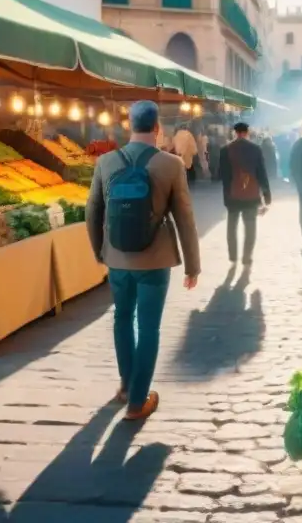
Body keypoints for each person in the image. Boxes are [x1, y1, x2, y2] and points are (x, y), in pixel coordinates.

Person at [88, 101, 200, 421]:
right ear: (157, 128)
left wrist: (101, 251)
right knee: (148, 327)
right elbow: (185, 219)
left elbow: (92, 211)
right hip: (155, 260)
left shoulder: (106, 161)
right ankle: (138, 402)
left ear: (129, 126)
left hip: (117, 258)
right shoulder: (171, 164)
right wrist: (192, 266)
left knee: (122, 318)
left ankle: (126, 387)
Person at [219, 122, 271, 267]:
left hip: (232, 196)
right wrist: (266, 194)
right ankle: (247, 257)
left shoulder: (225, 150)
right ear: (247, 132)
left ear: (234, 133)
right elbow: (262, 173)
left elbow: (223, 176)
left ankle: (233, 257)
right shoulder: (255, 149)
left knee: (232, 227)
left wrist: (227, 195)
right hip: (251, 195)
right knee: (250, 227)